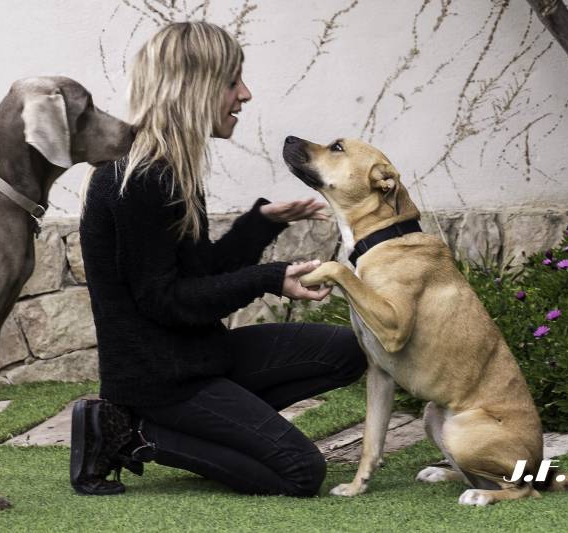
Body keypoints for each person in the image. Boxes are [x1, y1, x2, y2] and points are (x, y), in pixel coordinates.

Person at [74, 21, 366, 497]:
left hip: (199, 359)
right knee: (299, 472)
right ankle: (136, 435)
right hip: (160, 382)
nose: (245, 94)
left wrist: (262, 224)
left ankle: (215, 425)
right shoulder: (140, 178)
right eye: (233, 81)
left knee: (346, 352)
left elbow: (200, 273)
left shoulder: (172, 167)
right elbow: (166, 301)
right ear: (195, 87)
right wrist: (270, 277)